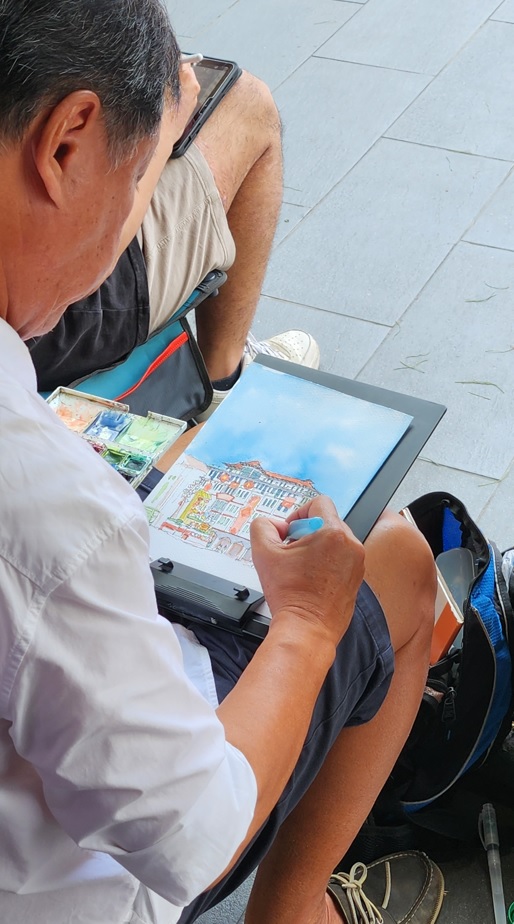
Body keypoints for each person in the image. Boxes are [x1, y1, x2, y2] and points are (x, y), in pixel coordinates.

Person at [0, 3, 443, 924]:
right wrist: (311, 624)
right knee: (397, 559)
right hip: (83, 882)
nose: (136, 217)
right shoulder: (45, 508)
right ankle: (292, 905)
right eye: (147, 175)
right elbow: (191, 830)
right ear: (67, 141)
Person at [27, 51, 320, 418]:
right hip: (56, 312)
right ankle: (223, 379)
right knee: (247, 105)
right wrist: (165, 131)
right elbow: (96, 248)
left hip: (35, 297)